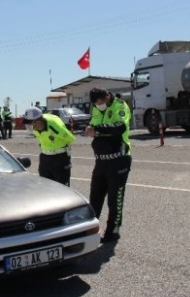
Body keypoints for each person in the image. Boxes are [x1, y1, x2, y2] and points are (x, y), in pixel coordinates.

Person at [85, 87, 132, 244]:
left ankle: (113, 231)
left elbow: (120, 127)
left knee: (115, 198)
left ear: (106, 97)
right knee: (95, 197)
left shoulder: (120, 106)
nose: (98, 106)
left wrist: (97, 130)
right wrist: (92, 129)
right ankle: (91, 230)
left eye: (99, 102)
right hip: (100, 161)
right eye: (95, 104)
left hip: (118, 160)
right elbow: (92, 126)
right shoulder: (96, 109)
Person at [22, 107, 75, 186]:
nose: (28, 126)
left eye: (30, 123)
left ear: (38, 121)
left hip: (59, 159)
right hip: (44, 158)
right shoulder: (35, 129)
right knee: (45, 187)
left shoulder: (55, 126)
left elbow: (71, 139)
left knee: (62, 188)